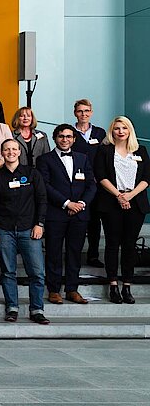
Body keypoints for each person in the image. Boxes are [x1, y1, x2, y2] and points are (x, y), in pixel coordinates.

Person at [37, 124, 96, 305]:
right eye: (61, 136)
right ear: (55, 138)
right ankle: (54, 290)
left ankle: (72, 289)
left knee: (74, 252)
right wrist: (67, 203)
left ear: (74, 139)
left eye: (69, 136)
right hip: (56, 213)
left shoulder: (82, 158)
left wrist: (81, 204)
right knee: (53, 252)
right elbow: (45, 186)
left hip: (79, 214)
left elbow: (91, 185)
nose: (65, 139)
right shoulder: (44, 159)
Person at [93, 116, 149, 304]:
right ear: (112, 131)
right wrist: (119, 195)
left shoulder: (140, 150)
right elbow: (100, 175)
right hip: (111, 203)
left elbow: (147, 178)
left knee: (129, 245)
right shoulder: (104, 150)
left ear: (130, 130)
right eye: (117, 128)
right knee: (112, 243)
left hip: (135, 203)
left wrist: (130, 196)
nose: (120, 131)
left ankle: (127, 285)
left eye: (124, 128)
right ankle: (113, 284)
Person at [0, 139, 49, 324]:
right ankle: (12, 307)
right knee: (8, 271)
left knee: (37, 273)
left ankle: (37, 309)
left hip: (29, 229)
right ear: (2, 152)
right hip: (5, 229)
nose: (11, 152)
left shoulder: (32, 174)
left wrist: (39, 224)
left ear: (19, 152)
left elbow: (42, 200)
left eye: (14, 149)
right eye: (7, 149)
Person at [71, 99, 108, 268]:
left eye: (86, 111)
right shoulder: (69, 132)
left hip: (97, 184)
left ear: (91, 112)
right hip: (76, 183)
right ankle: (74, 255)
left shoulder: (100, 133)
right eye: (80, 111)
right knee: (77, 221)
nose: (83, 114)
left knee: (94, 221)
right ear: (75, 113)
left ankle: (93, 255)